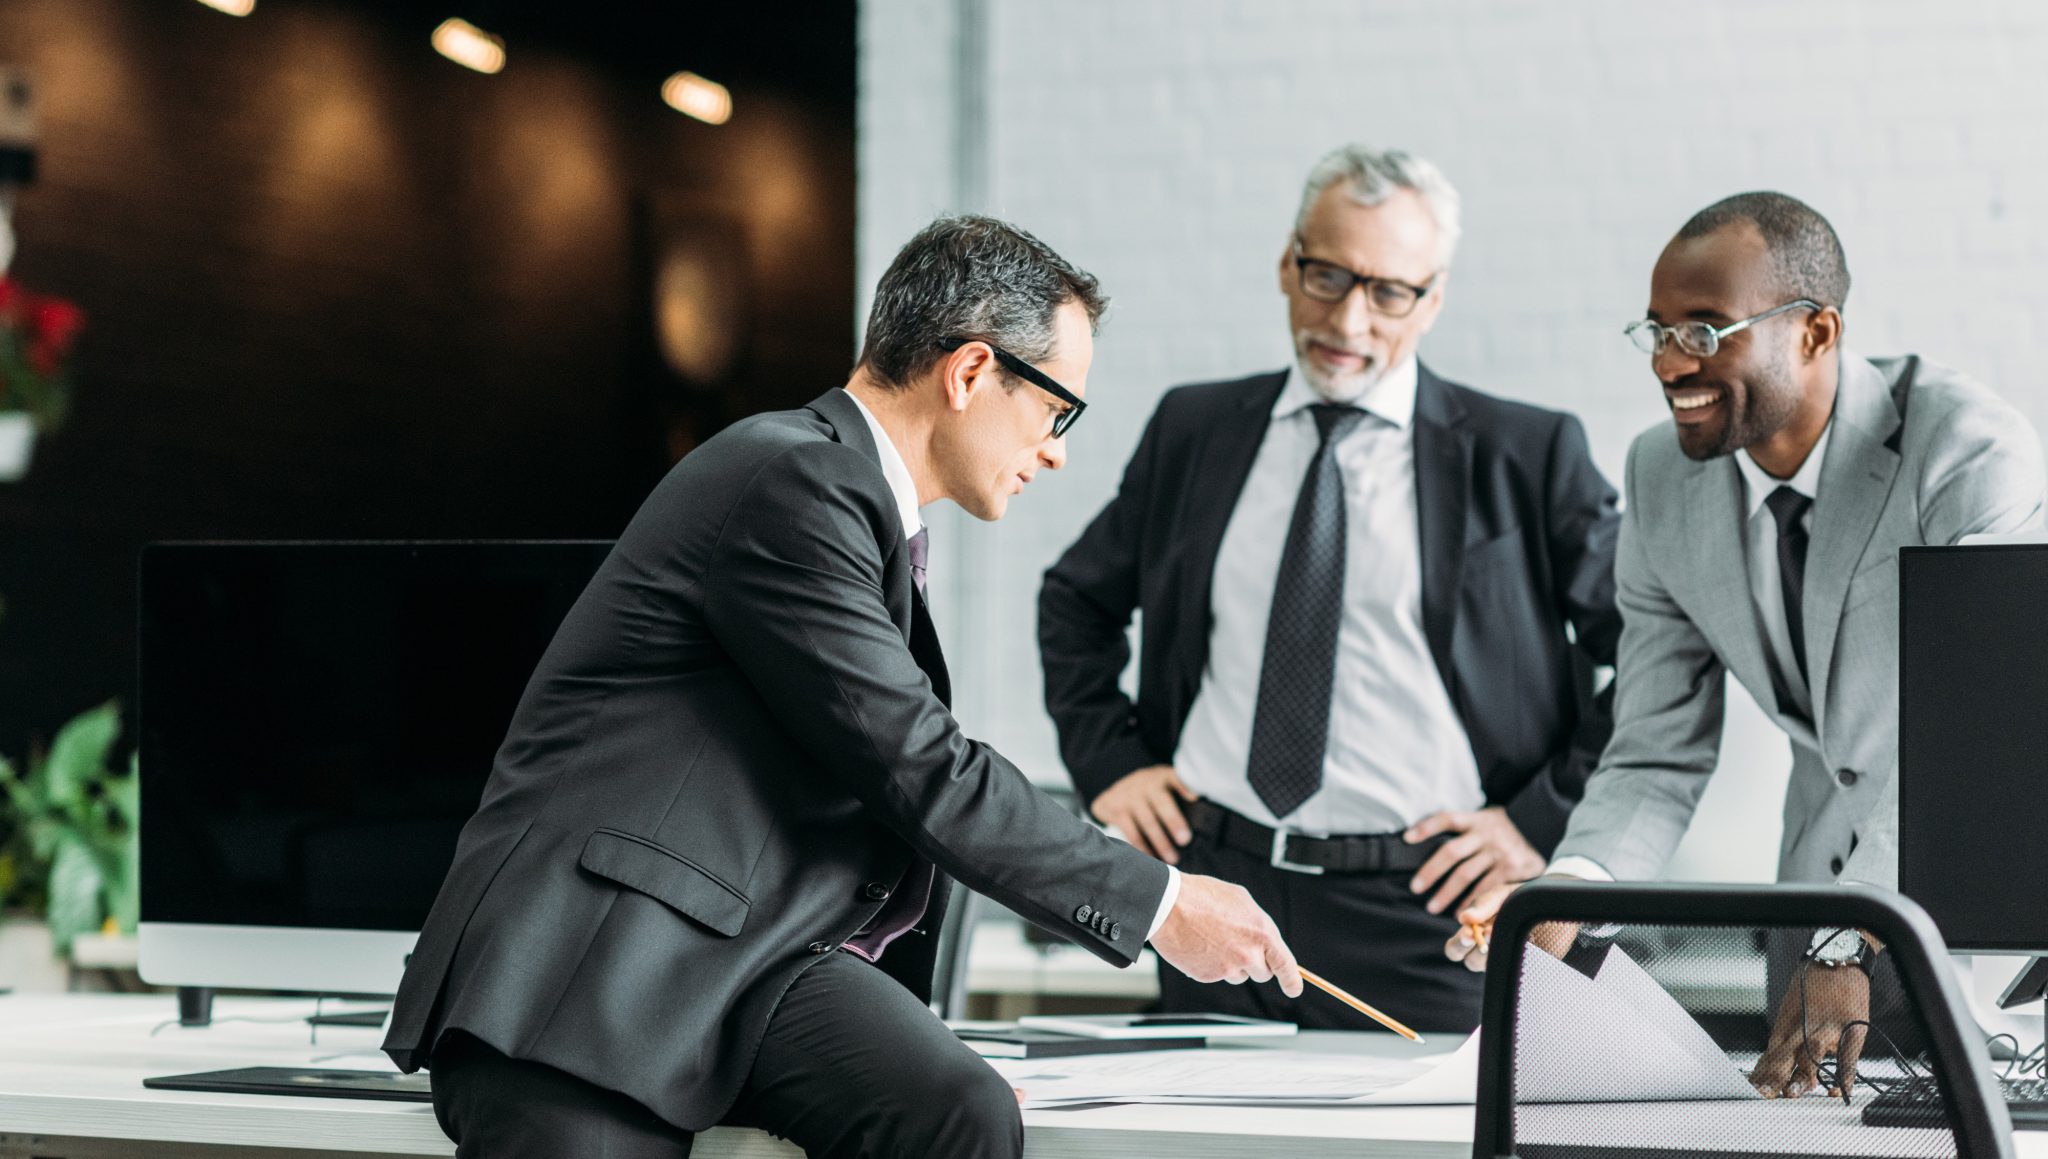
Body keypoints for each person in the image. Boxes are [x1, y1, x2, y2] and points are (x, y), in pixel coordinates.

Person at [382, 216, 1302, 1159]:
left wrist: (904, 1044)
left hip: (744, 958)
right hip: (599, 967)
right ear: (971, 372)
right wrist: (1161, 902)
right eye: (1058, 409)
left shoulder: (851, 509)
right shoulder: (793, 477)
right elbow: (917, 764)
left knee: (956, 1105)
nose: (1056, 449)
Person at [1448, 190, 2046, 1097]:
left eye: (1703, 330)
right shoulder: (1659, 477)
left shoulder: (1965, 448)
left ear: (1814, 331)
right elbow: (1654, 748)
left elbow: (1988, 736)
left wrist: (1849, 934)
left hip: (1972, 906)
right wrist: (1564, 893)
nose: (1667, 363)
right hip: (1809, 901)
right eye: (1654, 333)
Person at [1039, 146, 1622, 1033]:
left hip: (1430, 912)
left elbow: (1657, 659)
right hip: (1217, 894)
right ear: (1288, 262)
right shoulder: (1195, 429)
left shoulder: (1526, 454)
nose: (1348, 317)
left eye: (1389, 291)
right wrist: (1108, 764)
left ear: (1432, 301)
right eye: (1327, 275)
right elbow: (1075, 600)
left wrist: (1541, 819)